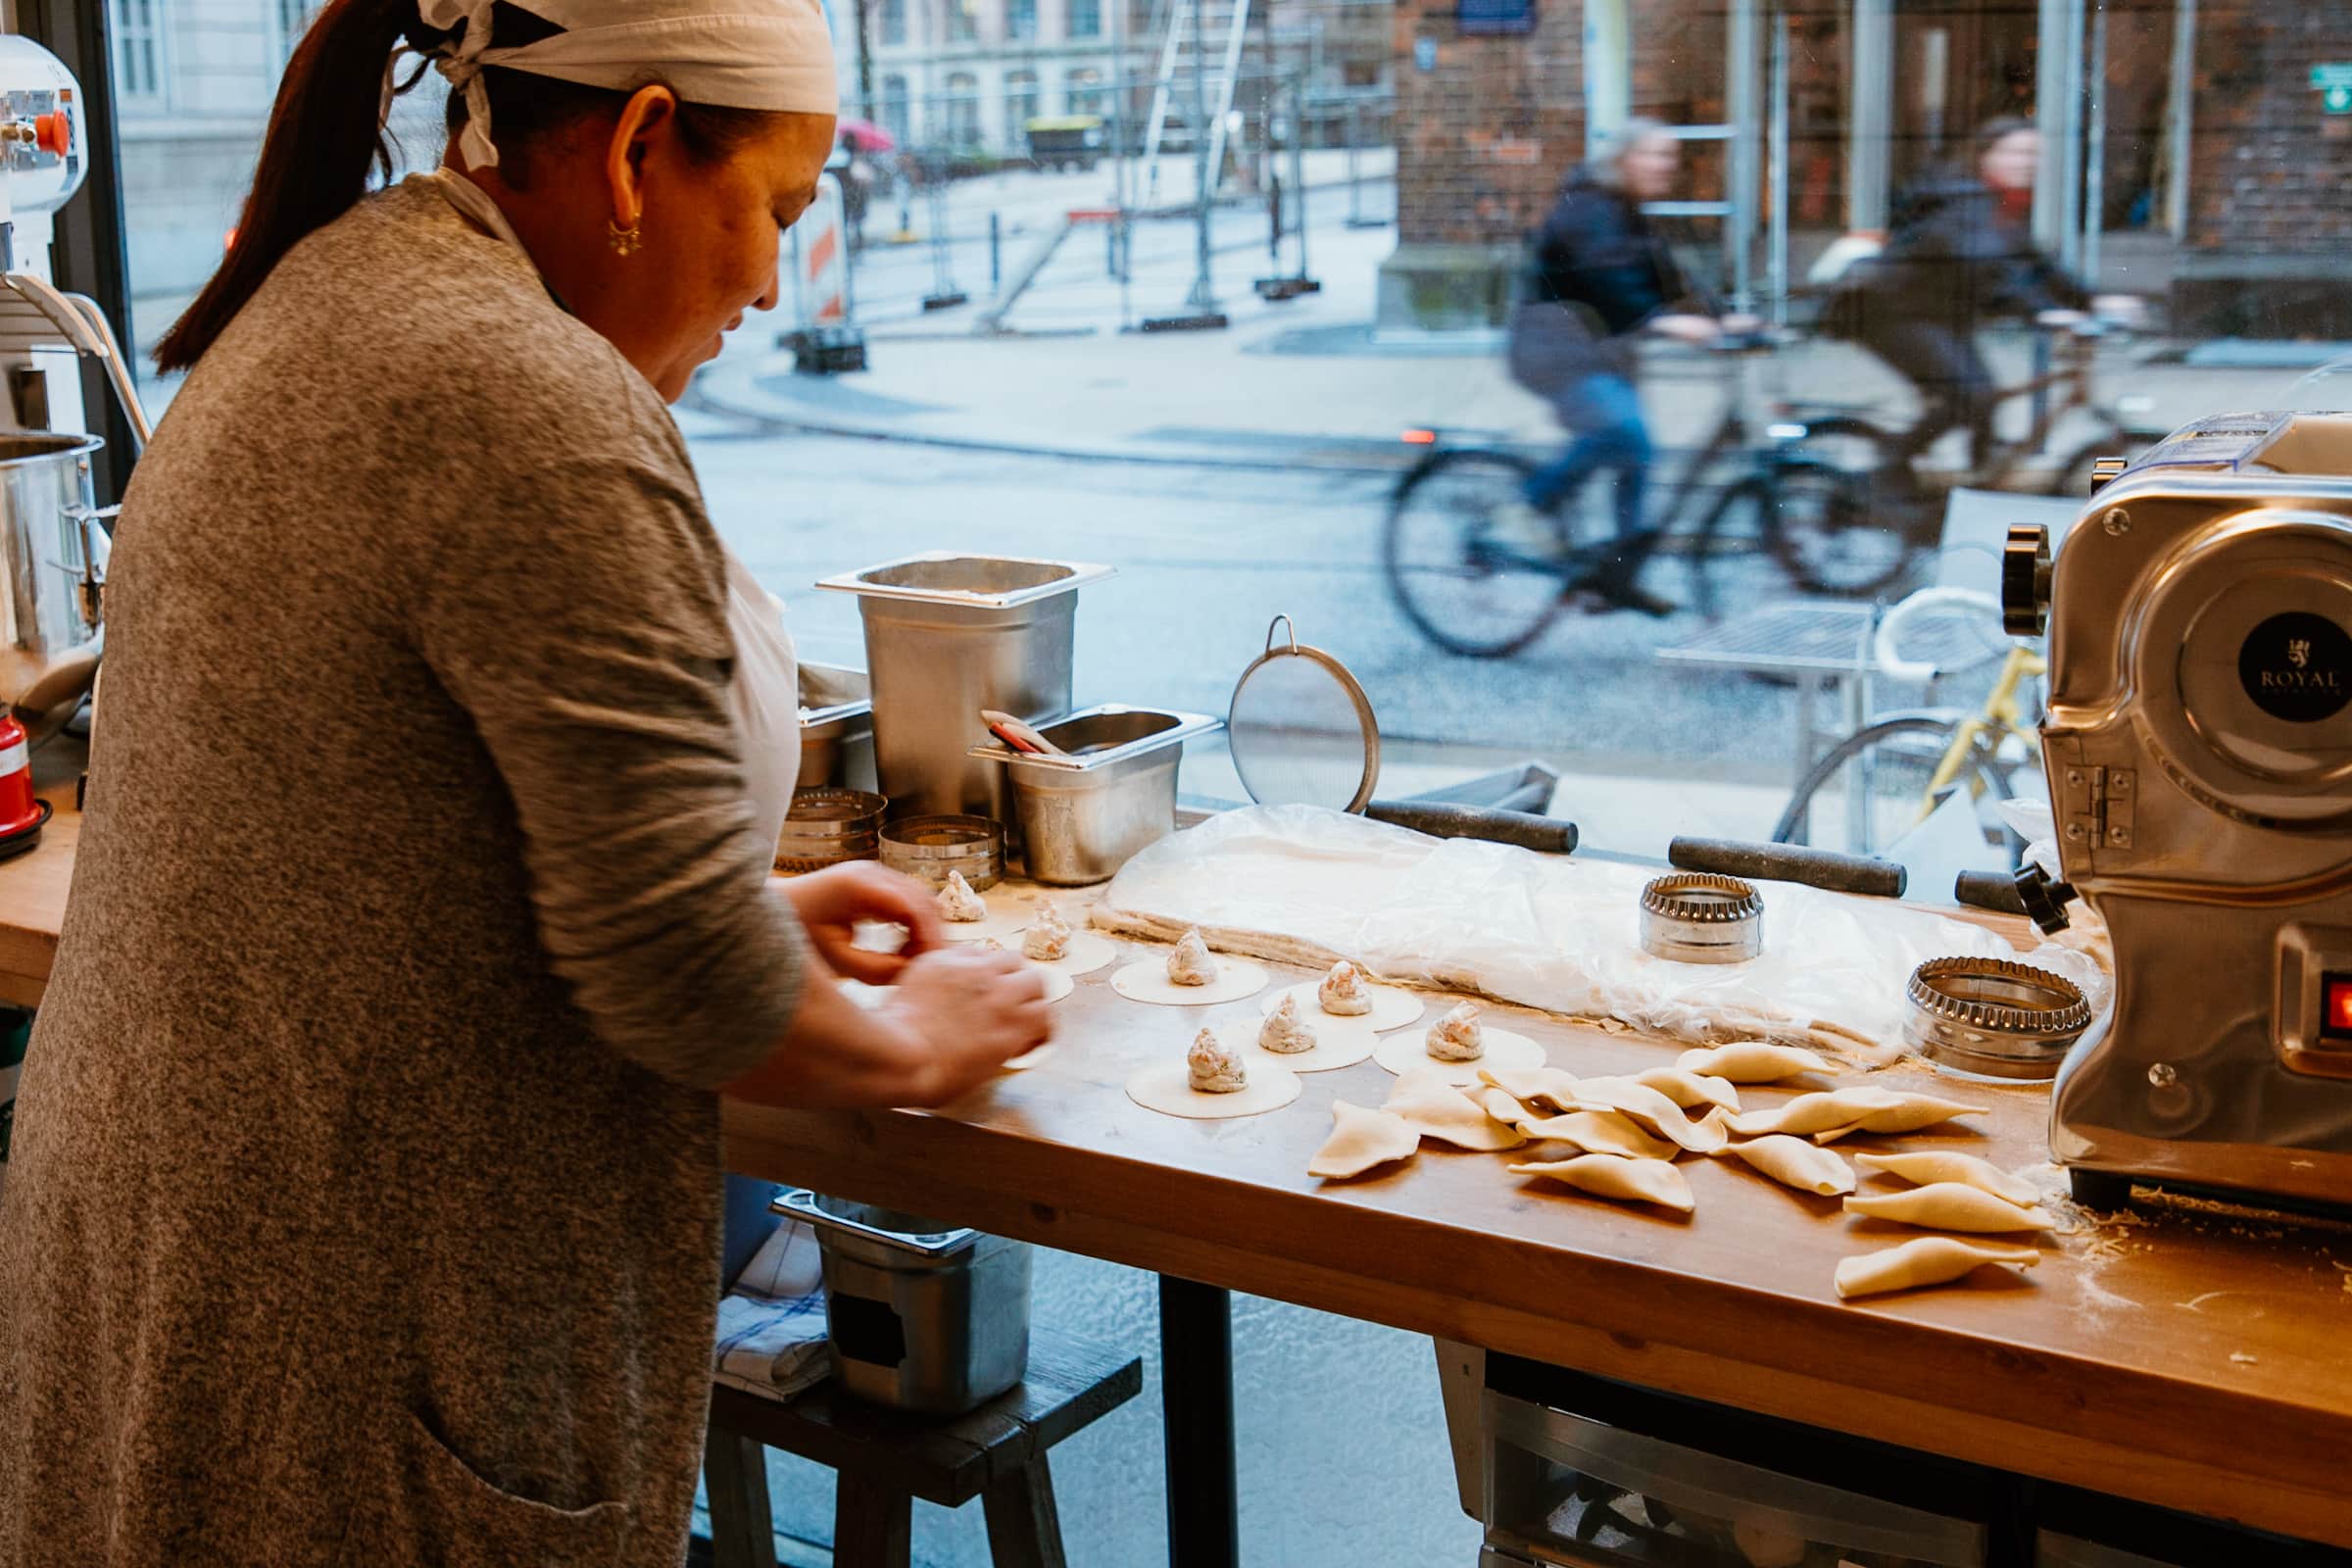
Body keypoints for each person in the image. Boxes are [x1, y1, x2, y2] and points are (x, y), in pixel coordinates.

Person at [0, 2, 1052, 1563]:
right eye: (770, 208)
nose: (771, 280)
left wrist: (746, 899)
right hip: (358, 1349)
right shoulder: (529, 398)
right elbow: (682, 984)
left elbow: (401, 830)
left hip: (175, 1263)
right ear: (637, 149)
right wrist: (909, 1040)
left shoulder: (341, 292)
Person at [1503, 120, 1735, 618]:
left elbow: (1668, 276)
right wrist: (1663, 322)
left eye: (1671, 157)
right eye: (1655, 155)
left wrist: (1722, 317)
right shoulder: (1590, 207)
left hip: (1598, 351)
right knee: (1627, 433)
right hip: (1556, 348)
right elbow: (1611, 277)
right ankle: (1526, 509)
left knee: (1635, 455)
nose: (1666, 166)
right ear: (1626, 159)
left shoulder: (1628, 212)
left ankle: (1618, 576)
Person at [1841, 118, 2130, 472]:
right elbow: (1994, 273)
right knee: (1971, 396)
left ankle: (1978, 476)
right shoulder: (1964, 201)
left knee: (1983, 396)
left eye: (2034, 154)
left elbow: (2035, 263)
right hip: (1896, 315)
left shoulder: (2000, 202)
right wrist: (2043, 312)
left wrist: (2093, 300)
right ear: (1985, 155)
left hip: (1938, 315)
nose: (2027, 162)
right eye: (2016, 152)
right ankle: (1890, 466)